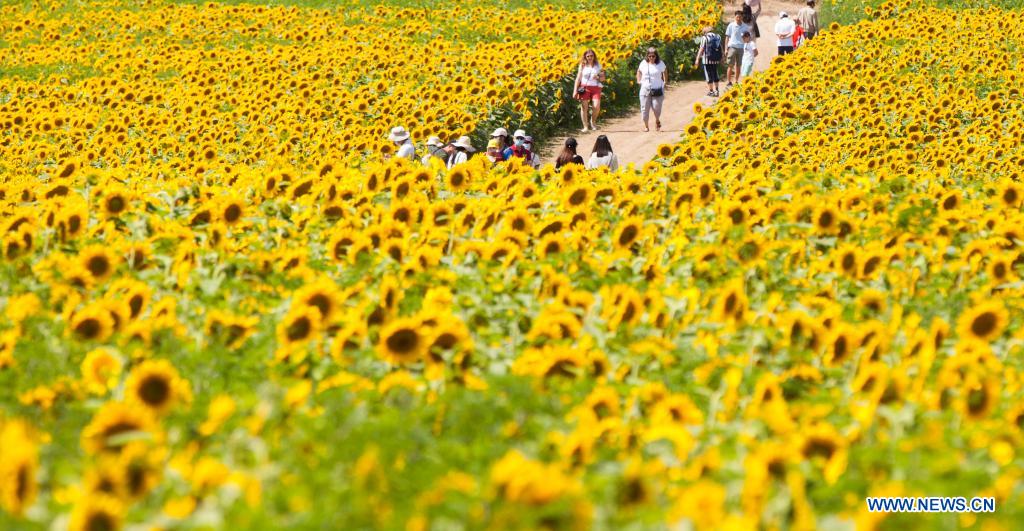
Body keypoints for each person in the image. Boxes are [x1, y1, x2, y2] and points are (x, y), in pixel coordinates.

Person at [573, 49, 605, 132]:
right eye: (588, 56)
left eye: (591, 56)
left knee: (596, 106)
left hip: (596, 87)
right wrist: (575, 90)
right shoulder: (582, 65)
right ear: (585, 57)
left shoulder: (598, 65)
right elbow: (578, 78)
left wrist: (598, 77)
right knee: (584, 107)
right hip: (585, 88)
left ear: (594, 56)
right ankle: (585, 126)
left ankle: (593, 122)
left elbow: (603, 78)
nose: (590, 58)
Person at [636, 47, 667, 132]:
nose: (651, 58)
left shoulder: (660, 63)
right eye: (649, 56)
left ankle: (657, 120)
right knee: (644, 109)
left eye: (653, 56)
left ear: (656, 56)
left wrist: (665, 81)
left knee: (657, 108)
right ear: (647, 56)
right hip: (645, 89)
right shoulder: (643, 63)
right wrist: (638, 80)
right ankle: (646, 126)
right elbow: (639, 71)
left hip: (657, 89)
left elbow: (664, 71)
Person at [724, 10, 750, 88]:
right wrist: (726, 49)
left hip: (741, 47)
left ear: (742, 17)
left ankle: (736, 81)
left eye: (740, 16)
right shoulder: (731, 25)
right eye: (737, 16)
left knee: (738, 66)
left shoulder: (745, 27)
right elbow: (727, 37)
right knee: (730, 65)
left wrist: (746, 45)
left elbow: (747, 38)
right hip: (732, 47)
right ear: (735, 17)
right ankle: (729, 81)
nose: (738, 18)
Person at [694, 27, 722, 97]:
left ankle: (711, 91)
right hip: (715, 59)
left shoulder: (705, 38)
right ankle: (717, 90)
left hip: (707, 60)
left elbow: (701, 48)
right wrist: (722, 56)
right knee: (715, 74)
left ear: (705, 32)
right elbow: (720, 47)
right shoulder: (717, 37)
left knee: (709, 75)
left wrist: (697, 59)